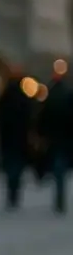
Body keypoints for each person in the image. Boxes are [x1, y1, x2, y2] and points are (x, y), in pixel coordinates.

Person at [0, 69, 32, 211]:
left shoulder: (4, 99)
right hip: (20, 140)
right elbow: (29, 118)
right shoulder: (23, 99)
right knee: (17, 167)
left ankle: (11, 192)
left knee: (10, 166)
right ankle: (14, 192)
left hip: (7, 139)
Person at [36, 74, 73, 214]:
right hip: (65, 139)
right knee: (60, 168)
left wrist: (41, 134)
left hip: (53, 139)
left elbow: (42, 118)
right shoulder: (68, 98)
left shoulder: (49, 100)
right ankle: (60, 198)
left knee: (58, 168)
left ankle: (59, 198)